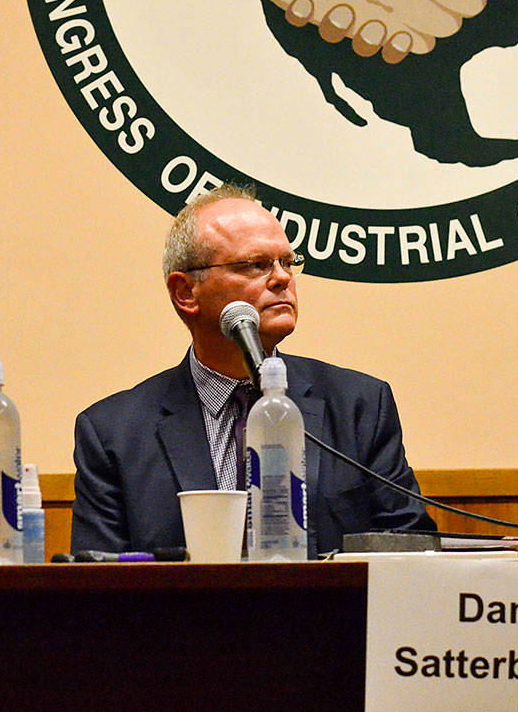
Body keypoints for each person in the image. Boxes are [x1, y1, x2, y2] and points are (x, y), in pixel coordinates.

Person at [71, 184, 435, 558]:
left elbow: (411, 548)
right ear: (185, 293)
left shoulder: (359, 406)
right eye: (255, 265)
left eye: (287, 262)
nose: (282, 278)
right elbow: (97, 579)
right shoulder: (113, 433)